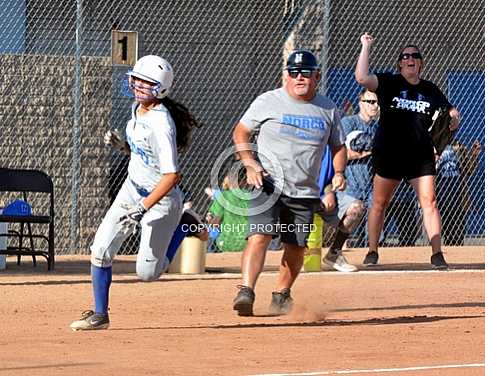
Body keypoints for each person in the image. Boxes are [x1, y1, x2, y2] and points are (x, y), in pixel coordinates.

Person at [70, 55, 201, 330]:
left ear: (161, 88)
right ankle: (100, 314)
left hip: (162, 199)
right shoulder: (136, 108)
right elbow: (146, 157)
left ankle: (185, 224)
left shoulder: (161, 123)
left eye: (147, 82)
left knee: (148, 273)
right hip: (131, 189)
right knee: (101, 249)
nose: (139, 85)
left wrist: (143, 207)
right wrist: (123, 149)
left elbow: (172, 175)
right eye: (137, 79)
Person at [232, 49, 347, 316]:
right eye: (293, 72)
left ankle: (281, 295)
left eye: (305, 72)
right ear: (286, 75)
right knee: (259, 235)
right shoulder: (268, 101)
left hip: (305, 190)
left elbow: (338, 146)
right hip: (268, 183)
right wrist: (250, 163)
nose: (299, 77)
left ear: (316, 75)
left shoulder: (328, 108)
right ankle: (246, 290)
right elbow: (241, 131)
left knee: (296, 245)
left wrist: (338, 173)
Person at [355, 34, 460, 269]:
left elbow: (449, 109)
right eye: (405, 56)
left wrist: (454, 115)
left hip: (419, 154)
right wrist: (366, 46)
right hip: (389, 152)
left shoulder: (430, 89)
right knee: (380, 203)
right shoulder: (389, 83)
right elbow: (361, 77)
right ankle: (372, 250)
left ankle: (437, 253)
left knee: (429, 201)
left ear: (421, 63)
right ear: (400, 63)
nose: (410, 58)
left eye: (415, 56)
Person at [313, 145, 365, 273]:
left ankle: (334, 254)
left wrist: (329, 191)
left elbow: (331, 174)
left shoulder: (329, 142)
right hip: (296, 195)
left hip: (324, 196)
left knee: (356, 208)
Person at [340, 89, 379, 247]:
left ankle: (371, 255)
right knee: (348, 223)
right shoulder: (348, 123)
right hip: (351, 183)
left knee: (375, 233)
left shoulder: (377, 128)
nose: (374, 106)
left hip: (372, 185)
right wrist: (368, 151)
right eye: (370, 102)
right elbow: (341, 154)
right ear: (360, 103)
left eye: (377, 102)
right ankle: (337, 250)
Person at [437, 140, 481, 246]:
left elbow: (469, 170)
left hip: (457, 198)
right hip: (440, 197)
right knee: (440, 232)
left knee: (457, 235)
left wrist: (474, 155)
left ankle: (457, 257)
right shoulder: (434, 145)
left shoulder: (460, 147)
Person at [206, 175, 250, 252]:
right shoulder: (251, 196)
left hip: (226, 243)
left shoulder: (223, 197)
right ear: (244, 182)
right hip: (248, 242)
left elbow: (215, 223)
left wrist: (209, 218)